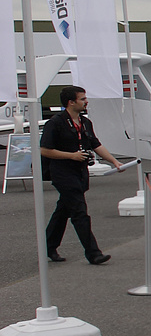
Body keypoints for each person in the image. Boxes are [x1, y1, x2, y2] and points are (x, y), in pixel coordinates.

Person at [39, 86, 124, 264]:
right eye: (82, 99)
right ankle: (93, 253)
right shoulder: (55, 123)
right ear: (71, 102)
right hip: (62, 173)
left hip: (80, 173)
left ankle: (47, 245)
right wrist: (72, 156)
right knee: (79, 212)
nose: (86, 102)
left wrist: (114, 161)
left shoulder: (85, 123)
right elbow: (45, 150)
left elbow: (95, 144)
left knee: (63, 210)